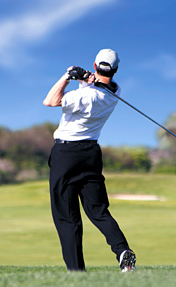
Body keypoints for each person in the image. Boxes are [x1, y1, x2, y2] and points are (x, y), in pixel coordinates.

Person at [43, 49, 136, 272]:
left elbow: (50, 101)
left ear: (95, 65)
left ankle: (77, 273)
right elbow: (96, 90)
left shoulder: (83, 96)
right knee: (98, 211)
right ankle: (122, 250)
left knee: (67, 217)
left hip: (66, 155)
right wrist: (85, 80)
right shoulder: (115, 91)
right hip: (91, 154)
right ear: (115, 69)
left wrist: (67, 76)